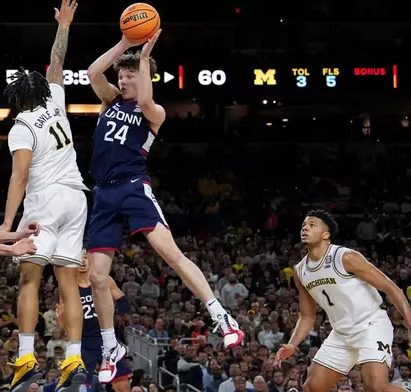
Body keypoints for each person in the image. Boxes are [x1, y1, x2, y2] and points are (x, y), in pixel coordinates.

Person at [85, 30, 243, 383]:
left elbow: (145, 103)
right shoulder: (109, 101)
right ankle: (111, 348)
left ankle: (220, 315)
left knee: (169, 254)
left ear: (145, 80)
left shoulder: (154, 112)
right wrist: (126, 45)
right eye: (122, 76)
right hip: (102, 194)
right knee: (96, 276)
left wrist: (143, 60)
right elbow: (94, 72)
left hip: (132, 188)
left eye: (131, 76)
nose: (123, 80)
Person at [0, 1, 88, 392]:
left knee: (30, 280)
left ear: (18, 99)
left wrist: (6, 224)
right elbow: (57, 60)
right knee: (69, 281)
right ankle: (73, 357)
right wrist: (64, 25)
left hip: (45, 201)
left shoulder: (21, 125)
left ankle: (26, 357)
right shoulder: (56, 100)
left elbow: (19, 177)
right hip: (78, 198)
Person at [275, 209, 411, 392]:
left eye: (312, 225)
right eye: (303, 225)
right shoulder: (300, 272)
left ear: (326, 235)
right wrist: (292, 344)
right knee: (312, 388)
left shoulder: (346, 257)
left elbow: (392, 288)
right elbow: (307, 316)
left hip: (370, 325)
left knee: (376, 387)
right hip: (341, 332)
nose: (305, 228)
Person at [55, 253, 131, 392]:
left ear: (90, 259)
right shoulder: (68, 287)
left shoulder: (104, 280)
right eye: (78, 257)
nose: (82, 261)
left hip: (106, 339)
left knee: (122, 385)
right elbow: (60, 323)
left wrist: (118, 314)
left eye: (85, 257)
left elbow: (123, 302)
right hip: (84, 341)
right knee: (80, 386)